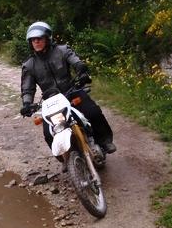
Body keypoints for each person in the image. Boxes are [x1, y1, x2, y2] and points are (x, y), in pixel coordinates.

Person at [19, 21, 116, 154]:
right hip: (51, 101)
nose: (36, 42)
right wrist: (27, 103)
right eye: (33, 40)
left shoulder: (62, 51)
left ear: (47, 38)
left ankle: (104, 141)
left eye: (39, 38)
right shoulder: (29, 65)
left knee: (93, 112)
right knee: (49, 134)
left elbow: (76, 61)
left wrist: (82, 71)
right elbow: (27, 88)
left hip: (72, 91)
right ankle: (65, 157)